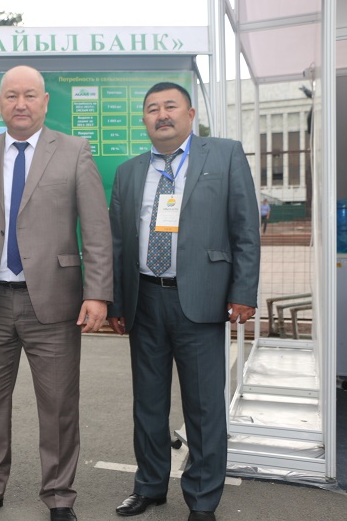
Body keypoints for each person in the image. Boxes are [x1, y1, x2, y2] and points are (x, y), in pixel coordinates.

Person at [0, 65, 113, 521]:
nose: (21, 104)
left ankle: (59, 496)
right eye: (11, 95)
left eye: (30, 95)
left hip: (55, 303)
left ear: (44, 101)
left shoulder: (74, 151)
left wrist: (97, 293)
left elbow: (96, 230)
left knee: (58, 406)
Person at [107, 82, 260, 521]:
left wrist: (243, 292)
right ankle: (149, 485)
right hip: (144, 299)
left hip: (202, 300)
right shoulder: (129, 172)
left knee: (204, 407)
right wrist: (117, 302)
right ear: (144, 120)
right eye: (152, 108)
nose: (162, 115)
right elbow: (118, 244)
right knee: (148, 403)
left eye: (170, 106)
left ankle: (203, 499)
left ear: (190, 114)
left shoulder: (225, 155)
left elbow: (246, 230)